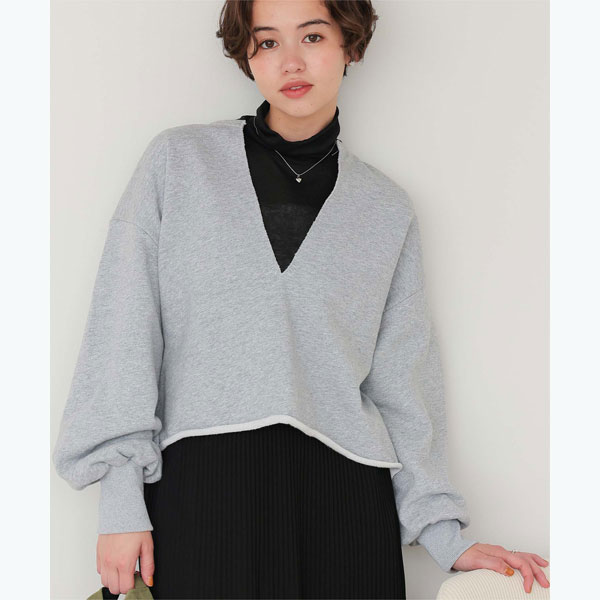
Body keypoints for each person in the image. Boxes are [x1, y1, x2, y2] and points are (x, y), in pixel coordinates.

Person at [52, 1, 550, 598]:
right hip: (204, 491)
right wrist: (120, 500)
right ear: (247, 55)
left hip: (346, 506)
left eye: (312, 36)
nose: (290, 61)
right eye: (267, 42)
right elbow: (123, 330)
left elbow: (404, 384)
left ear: (350, 44)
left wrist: (443, 534)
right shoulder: (179, 164)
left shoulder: (385, 209)